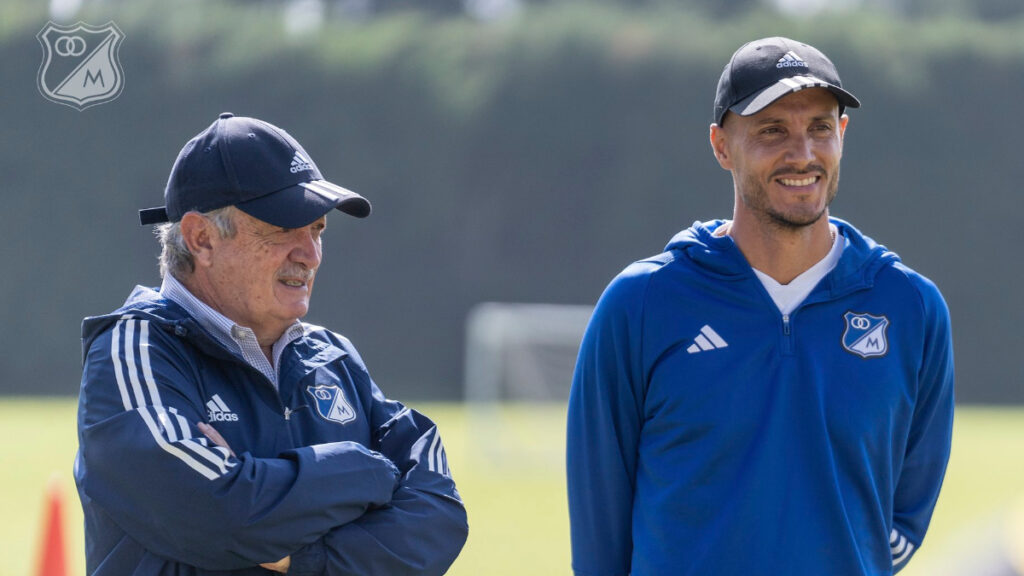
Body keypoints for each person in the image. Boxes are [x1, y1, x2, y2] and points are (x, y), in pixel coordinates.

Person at [566, 37, 954, 576]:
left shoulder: (911, 307)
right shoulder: (642, 304)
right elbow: (598, 528)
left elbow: (904, 515)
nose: (803, 153)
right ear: (722, 146)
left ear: (842, 135)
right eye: (772, 130)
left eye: (819, 127)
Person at [75, 113, 468, 575]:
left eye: (318, 228)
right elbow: (219, 517)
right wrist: (367, 471)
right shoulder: (133, 350)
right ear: (200, 238)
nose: (310, 254)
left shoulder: (333, 356)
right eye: (284, 228)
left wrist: (297, 555)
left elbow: (440, 517)